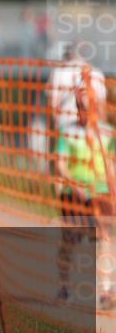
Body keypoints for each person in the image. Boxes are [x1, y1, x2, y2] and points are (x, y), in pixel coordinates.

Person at [55, 87, 115, 307]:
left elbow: (111, 164)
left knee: (104, 238)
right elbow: (60, 164)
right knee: (69, 241)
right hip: (74, 195)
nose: (82, 113)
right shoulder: (67, 132)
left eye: (87, 109)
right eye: (80, 108)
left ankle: (107, 291)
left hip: (100, 194)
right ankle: (64, 287)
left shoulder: (107, 133)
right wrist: (73, 183)